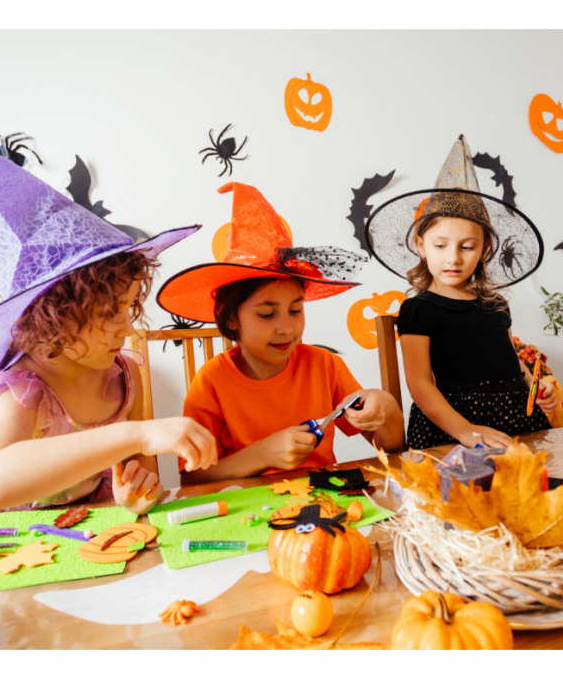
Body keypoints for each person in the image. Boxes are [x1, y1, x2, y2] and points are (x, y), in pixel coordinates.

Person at [0, 82, 216, 531]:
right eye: (108, 313)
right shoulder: (24, 390)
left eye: (128, 307)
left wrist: (134, 491)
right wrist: (136, 433)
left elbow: (137, 481)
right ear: (52, 318)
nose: (126, 328)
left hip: (71, 529)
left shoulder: (124, 376)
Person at [156, 182, 404, 484]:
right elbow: (192, 479)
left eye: (295, 310)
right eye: (266, 314)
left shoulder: (325, 366)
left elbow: (390, 449)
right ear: (231, 318)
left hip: (325, 501)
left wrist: (387, 408)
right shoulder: (211, 382)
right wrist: (262, 455)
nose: (286, 328)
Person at [365, 136, 554, 450]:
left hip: (518, 418)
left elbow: (509, 361)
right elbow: (419, 383)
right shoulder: (419, 309)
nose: (453, 258)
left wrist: (534, 384)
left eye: (467, 247)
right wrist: (465, 430)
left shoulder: (495, 304)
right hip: (454, 425)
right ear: (420, 245)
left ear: (484, 249)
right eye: (440, 245)